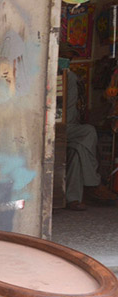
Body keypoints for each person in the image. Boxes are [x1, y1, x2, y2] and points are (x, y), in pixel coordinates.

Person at [65, 70, 118, 210]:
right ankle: (94, 183)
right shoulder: (66, 76)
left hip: (70, 129)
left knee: (77, 149)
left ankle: (73, 199)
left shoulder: (73, 77)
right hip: (59, 127)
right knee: (88, 131)